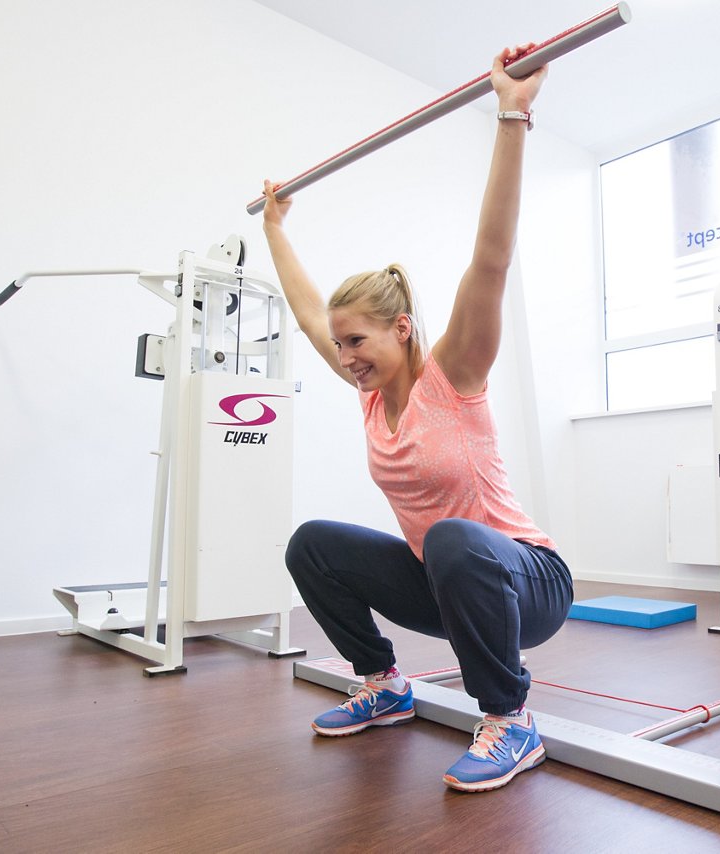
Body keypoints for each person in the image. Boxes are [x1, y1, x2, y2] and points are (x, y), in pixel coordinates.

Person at [259, 44, 571, 793]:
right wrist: (275, 227)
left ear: (400, 330)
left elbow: (490, 260)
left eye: (357, 341)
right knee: (313, 545)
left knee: (460, 540)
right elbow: (307, 316)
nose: (346, 355)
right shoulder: (368, 389)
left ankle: (511, 719)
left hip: (523, 580)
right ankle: (382, 683)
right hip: (446, 581)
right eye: (340, 346)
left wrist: (512, 114)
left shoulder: (452, 373)